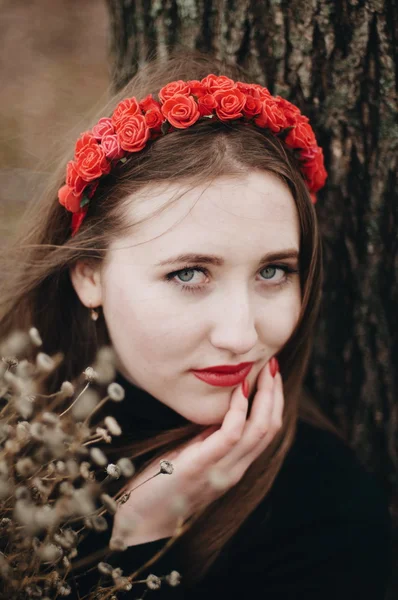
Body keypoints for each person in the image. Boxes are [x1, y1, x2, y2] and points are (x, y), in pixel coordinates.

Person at [0, 49, 392, 599]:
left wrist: (139, 545)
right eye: (189, 274)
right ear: (89, 274)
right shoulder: (11, 433)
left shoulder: (325, 518)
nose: (240, 335)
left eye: (274, 270)